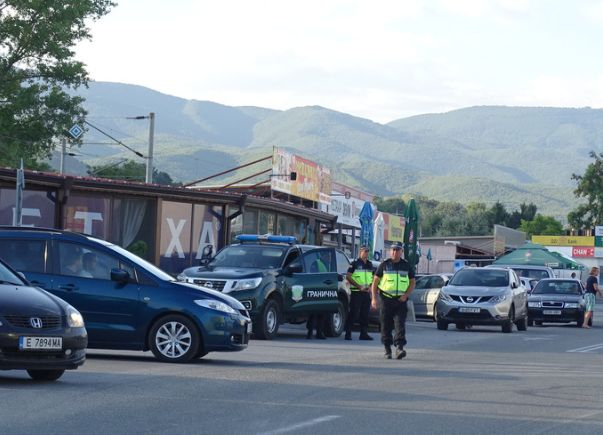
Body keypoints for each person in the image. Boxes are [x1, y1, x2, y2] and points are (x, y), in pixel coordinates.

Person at [371, 242, 415, 359]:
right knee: (385, 325)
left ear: (402, 252)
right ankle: (387, 349)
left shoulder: (406, 266)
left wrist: (406, 295)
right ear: (390, 251)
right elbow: (375, 282)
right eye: (393, 250)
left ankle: (399, 348)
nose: (395, 252)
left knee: (400, 324)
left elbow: (412, 282)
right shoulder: (384, 265)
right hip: (386, 300)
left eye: (397, 250)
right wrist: (374, 299)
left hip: (400, 301)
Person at [344, 245, 374, 341]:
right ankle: (348, 333)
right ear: (360, 252)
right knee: (353, 313)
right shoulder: (354, 264)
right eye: (364, 251)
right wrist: (359, 286)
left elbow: (372, 278)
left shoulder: (370, 264)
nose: (366, 253)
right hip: (357, 292)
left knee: (365, 314)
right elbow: (348, 276)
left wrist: (370, 286)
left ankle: (363, 333)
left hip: (366, 293)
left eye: (367, 251)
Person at [306, 251, 330, 339]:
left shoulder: (327, 264)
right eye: (327, 256)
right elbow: (313, 276)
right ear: (323, 256)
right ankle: (310, 332)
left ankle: (319, 333)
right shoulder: (316, 263)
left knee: (322, 313)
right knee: (313, 313)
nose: (329, 258)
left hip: (324, 291)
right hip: (316, 290)